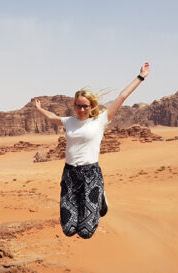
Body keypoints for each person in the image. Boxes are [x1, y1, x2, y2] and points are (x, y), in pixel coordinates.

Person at [33, 62, 150, 239]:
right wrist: (39, 109)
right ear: (74, 106)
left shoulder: (101, 119)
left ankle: (100, 198)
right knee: (68, 230)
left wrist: (140, 77)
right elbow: (52, 118)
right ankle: (85, 203)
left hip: (91, 174)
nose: (81, 109)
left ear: (92, 106)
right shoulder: (69, 121)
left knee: (86, 232)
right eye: (78, 106)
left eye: (85, 106)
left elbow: (122, 96)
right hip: (70, 174)